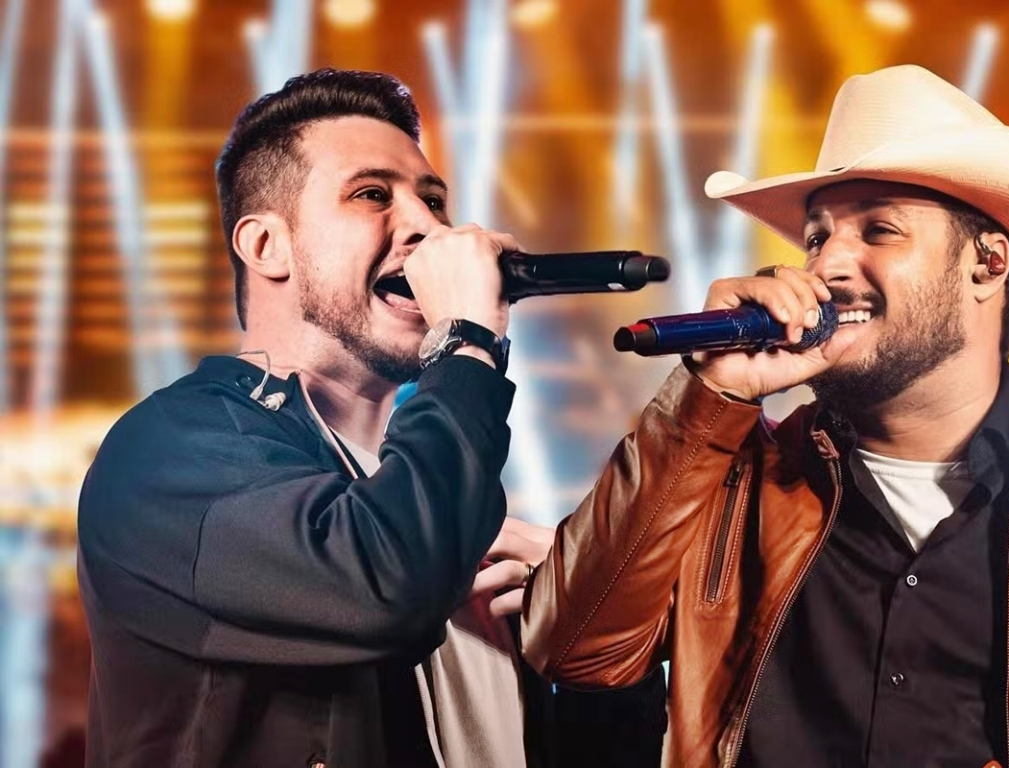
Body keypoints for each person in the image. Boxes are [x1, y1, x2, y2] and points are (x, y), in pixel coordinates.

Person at [521, 65, 1009, 767]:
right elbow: (572, 649)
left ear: (988, 265)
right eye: (817, 237)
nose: (826, 266)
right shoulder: (719, 479)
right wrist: (713, 394)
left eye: (879, 231)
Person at [77, 69, 665, 768]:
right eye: (372, 194)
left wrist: (596, 616)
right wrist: (468, 339)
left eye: (433, 200)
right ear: (265, 246)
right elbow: (387, 586)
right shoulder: (170, 453)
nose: (428, 226)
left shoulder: (440, 497)